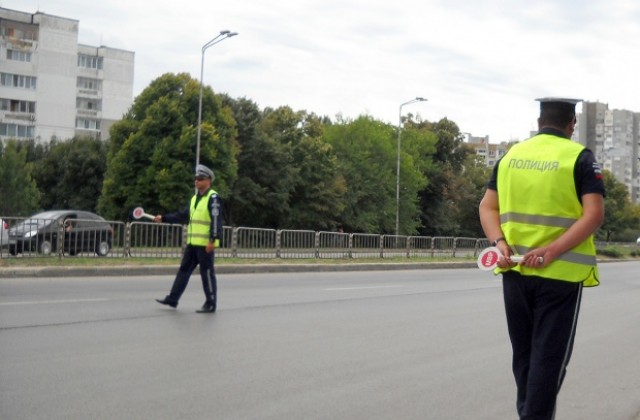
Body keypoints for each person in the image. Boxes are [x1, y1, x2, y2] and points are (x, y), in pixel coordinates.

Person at [478, 97, 605, 420]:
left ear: (539, 121)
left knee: (524, 356)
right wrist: (551, 251)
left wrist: (499, 243)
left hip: (514, 270)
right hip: (559, 274)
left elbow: (487, 207)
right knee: (549, 360)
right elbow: (593, 215)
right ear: (571, 123)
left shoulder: (511, 155)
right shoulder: (579, 157)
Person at [155, 164, 224, 313]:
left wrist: (212, 240)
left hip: (205, 244)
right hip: (193, 244)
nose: (197, 181)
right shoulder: (194, 199)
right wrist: (164, 218)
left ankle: (211, 303)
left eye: (200, 179)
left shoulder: (213, 198)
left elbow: (216, 220)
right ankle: (173, 299)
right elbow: (182, 215)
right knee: (183, 270)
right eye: (196, 179)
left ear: (208, 180)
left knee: (206, 273)